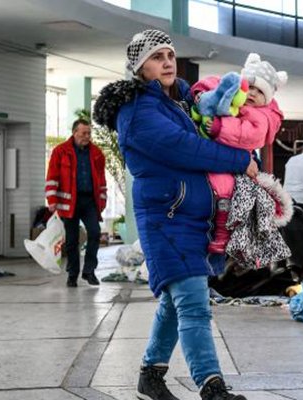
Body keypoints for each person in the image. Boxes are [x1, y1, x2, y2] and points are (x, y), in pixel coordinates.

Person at [94, 29, 257, 400]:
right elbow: (184, 148)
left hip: (189, 218)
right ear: (139, 68)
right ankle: (211, 386)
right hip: (166, 219)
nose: (167, 61)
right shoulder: (137, 112)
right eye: (157, 57)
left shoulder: (176, 102)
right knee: (194, 304)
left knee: (175, 300)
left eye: (169, 54)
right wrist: (238, 160)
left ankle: (151, 375)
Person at [190, 53, 286, 254]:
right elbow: (217, 83)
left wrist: (219, 127)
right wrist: (202, 92)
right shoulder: (235, 93)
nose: (251, 93)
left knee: (224, 190)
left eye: (259, 91)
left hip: (236, 161)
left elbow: (247, 135)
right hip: (216, 154)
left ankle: (223, 235)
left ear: (267, 97)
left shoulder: (264, 116)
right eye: (249, 86)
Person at [45, 119, 107, 287]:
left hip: (89, 202)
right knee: (72, 241)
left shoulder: (96, 153)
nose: (87, 136)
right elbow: (52, 177)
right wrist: (52, 200)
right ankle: (72, 274)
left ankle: (89, 271)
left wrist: (102, 200)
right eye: (84, 133)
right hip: (69, 203)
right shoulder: (60, 151)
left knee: (94, 233)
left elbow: (101, 180)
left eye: (89, 133)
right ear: (75, 133)